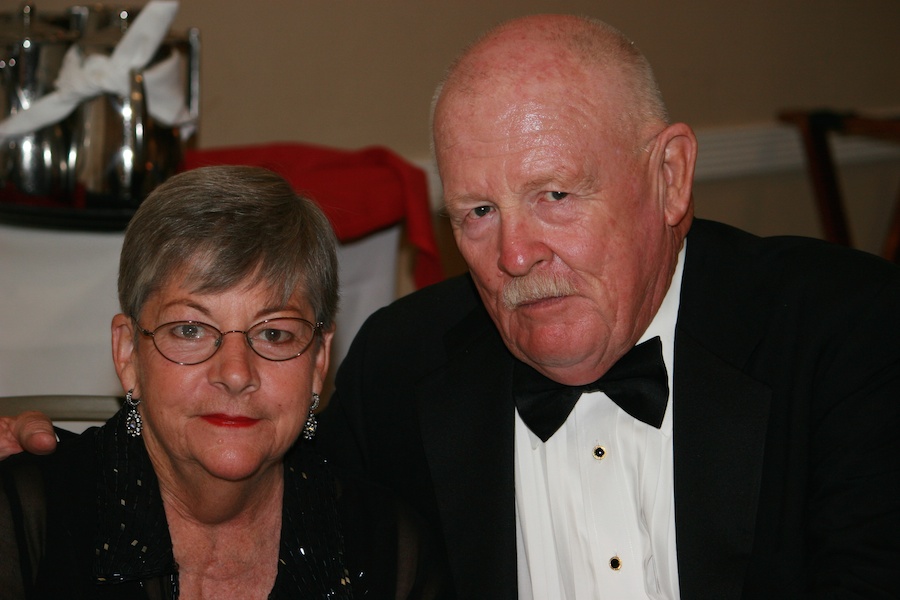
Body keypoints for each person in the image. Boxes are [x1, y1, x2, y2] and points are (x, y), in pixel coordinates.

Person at [3, 14, 900, 599]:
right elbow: (240, 461)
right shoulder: (405, 368)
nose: (514, 255)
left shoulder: (846, 338)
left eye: (555, 195)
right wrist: (35, 456)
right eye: (477, 211)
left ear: (670, 176)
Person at [0, 166, 445, 598]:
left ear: (318, 362)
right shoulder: (29, 519)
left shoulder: (387, 551)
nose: (235, 374)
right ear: (128, 352)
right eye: (190, 329)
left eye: (274, 334)